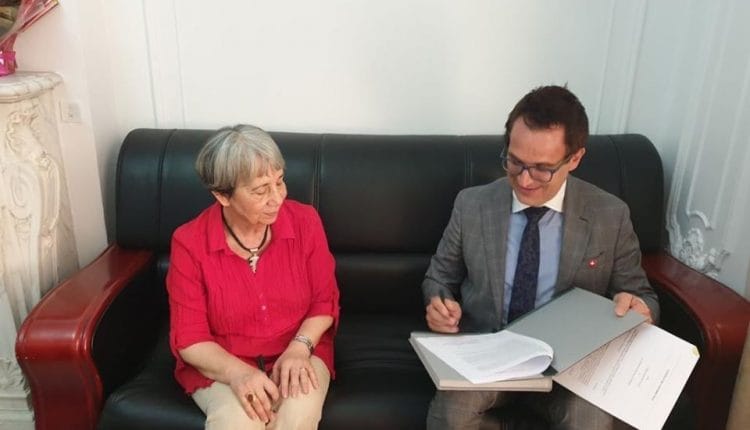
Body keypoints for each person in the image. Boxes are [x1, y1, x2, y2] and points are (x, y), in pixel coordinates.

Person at [422, 85, 659, 429]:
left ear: (574, 159)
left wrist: (640, 308)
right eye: (515, 162)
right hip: (489, 355)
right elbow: (438, 278)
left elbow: (642, 296)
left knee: (590, 421)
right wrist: (439, 303)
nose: (524, 180)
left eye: (542, 169)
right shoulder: (472, 205)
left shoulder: (610, 215)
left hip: (569, 365)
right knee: (451, 413)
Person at [166, 124, 340, 429]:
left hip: (300, 348)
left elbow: (324, 302)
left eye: (280, 181)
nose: (277, 198)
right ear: (222, 195)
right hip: (223, 362)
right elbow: (190, 339)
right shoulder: (189, 243)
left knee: (297, 416)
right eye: (261, 190)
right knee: (236, 422)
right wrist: (238, 373)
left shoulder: (305, 222)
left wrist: (299, 348)